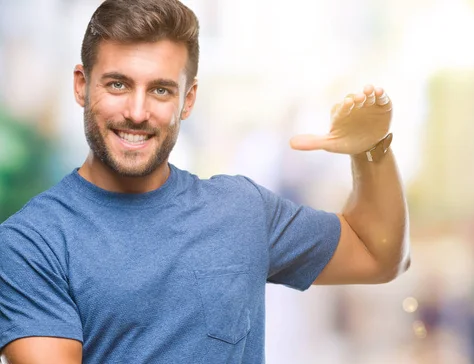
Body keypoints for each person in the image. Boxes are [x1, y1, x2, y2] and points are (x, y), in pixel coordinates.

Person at [0, 0, 410, 363]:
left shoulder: (241, 209)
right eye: (118, 84)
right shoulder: (32, 242)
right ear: (81, 85)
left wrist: (373, 150)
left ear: (188, 100)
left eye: (160, 90)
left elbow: (380, 255)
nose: (137, 112)